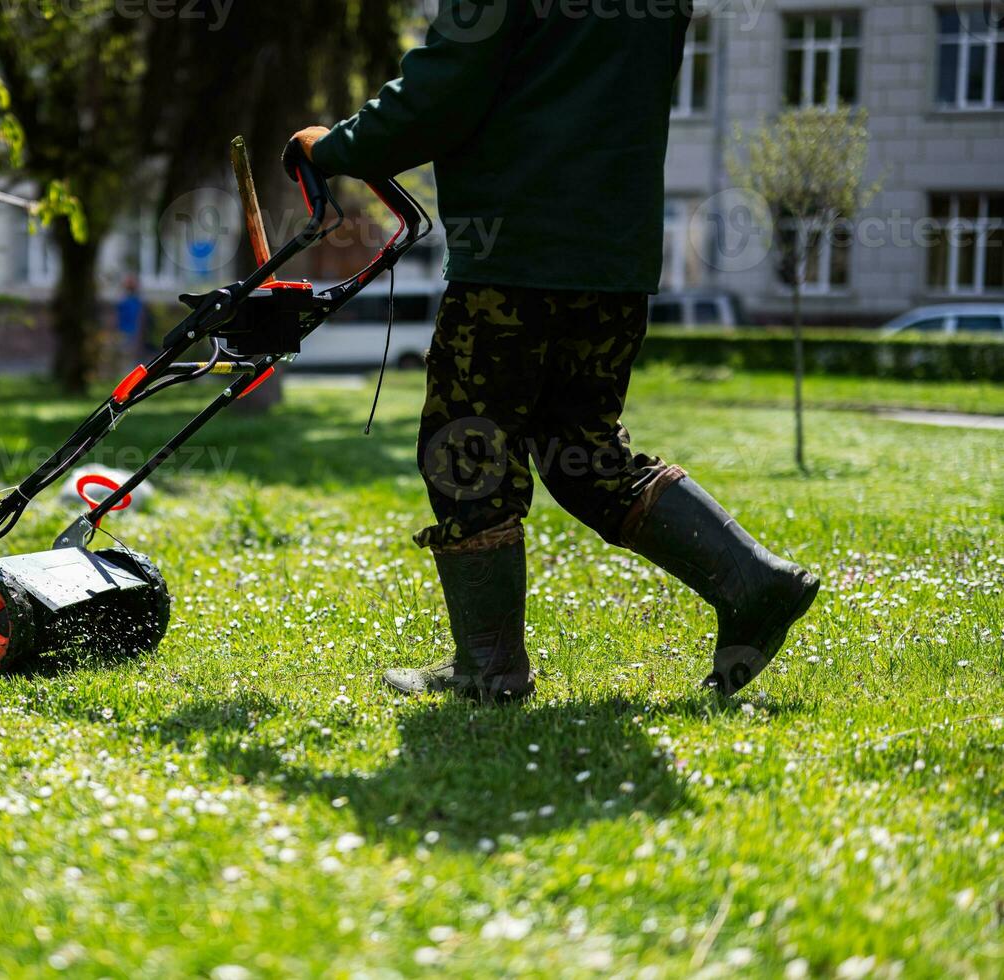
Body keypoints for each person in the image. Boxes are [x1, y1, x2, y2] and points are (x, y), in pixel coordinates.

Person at [287, 1, 818, 702]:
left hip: (517, 257)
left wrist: (334, 148)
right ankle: (754, 581)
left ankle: (489, 668)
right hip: (614, 261)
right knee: (585, 451)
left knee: (466, 450)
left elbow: (442, 92)